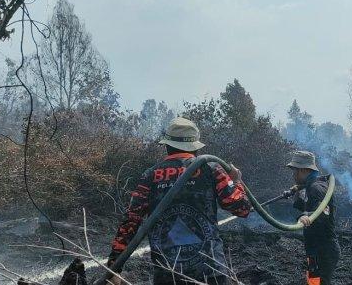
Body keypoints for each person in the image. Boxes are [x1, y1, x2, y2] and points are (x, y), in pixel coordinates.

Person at [106, 117, 251, 285]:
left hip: (168, 273)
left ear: (167, 146)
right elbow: (242, 209)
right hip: (210, 271)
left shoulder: (150, 176)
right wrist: (236, 182)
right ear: (195, 147)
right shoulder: (211, 169)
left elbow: (131, 221)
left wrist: (113, 267)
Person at [287, 150, 340, 285]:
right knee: (313, 283)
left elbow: (322, 214)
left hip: (324, 250)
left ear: (304, 170)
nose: (293, 175)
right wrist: (297, 191)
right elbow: (302, 205)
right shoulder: (309, 186)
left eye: (295, 171)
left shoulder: (317, 188)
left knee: (319, 283)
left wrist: (305, 217)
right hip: (315, 248)